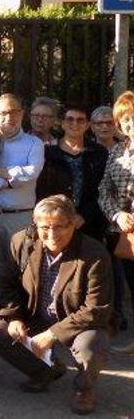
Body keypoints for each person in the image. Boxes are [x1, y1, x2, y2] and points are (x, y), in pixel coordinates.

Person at [0, 195, 112, 415]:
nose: (52, 235)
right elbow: (7, 285)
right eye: (45, 227)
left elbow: (96, 308)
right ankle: (45, 371)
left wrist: (52, 334)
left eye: (60, 226)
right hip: (35, 314)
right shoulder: (21, 242)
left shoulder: (94, 253)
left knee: (93, 344)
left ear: (74, 223)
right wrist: (14, 317)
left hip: (76, 322)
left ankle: (85, 389)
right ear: (35, 224)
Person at [0, 93, 44, 313]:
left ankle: (23, 317)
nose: (8, 117)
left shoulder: (34, 143)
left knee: (24, 269)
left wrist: (1, 172)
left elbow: (32, 173)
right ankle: (0, 318)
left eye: (13, 112)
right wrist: (8, 182)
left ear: (22, 114)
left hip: (20, 216)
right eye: (3, 112)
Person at [36, 103, 108, 242]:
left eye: (80, 120)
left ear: (87, 125)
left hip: (89, 224)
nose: (75, 123)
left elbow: (104, 190)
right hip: (53, 223)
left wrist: (84, 216)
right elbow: (41, 190)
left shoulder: (99, 153)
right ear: (62, 123)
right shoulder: (47, 152)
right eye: (70, 119)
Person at [98, 91, 134, 353]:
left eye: (133, 117)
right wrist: (117, 215)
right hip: (123, 229)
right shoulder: (117, 151)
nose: (130, 124)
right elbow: (104, 189)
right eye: (125, 120)